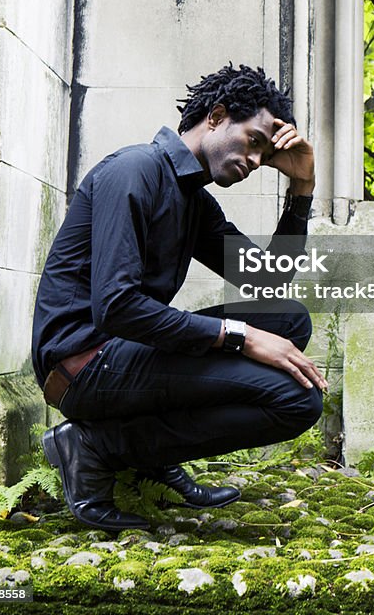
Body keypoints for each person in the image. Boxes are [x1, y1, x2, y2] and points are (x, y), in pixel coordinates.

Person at [31, 63, 326, 531]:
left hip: (124, 354)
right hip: (81, 363)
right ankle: (96, 448)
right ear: (217, 115)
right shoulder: (134, 171)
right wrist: (239, 336)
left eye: (265, 155)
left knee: (287, 320)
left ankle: (147, 452)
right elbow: (116, 307)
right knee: (298, 400)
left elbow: (269, 283)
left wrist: (301, 188)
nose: (255, 162)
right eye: (253, 141)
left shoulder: (195, 202)